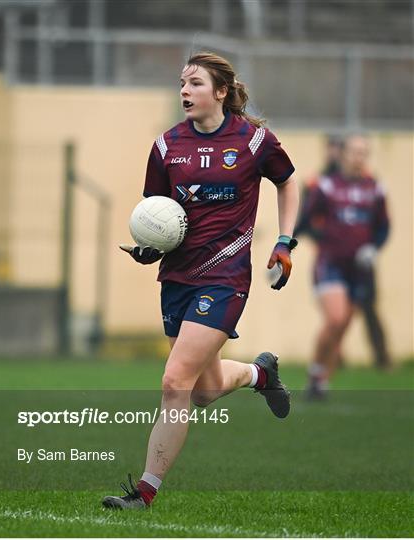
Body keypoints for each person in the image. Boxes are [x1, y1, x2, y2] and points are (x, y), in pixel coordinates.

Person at [102, 52, 299, 509]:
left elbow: (287, 182)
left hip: (226, 277)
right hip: (176, 278)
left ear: (221, 91)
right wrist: (149, 247)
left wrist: (286, 241)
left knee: (175, 384)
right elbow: (156, 214)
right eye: (181, 84)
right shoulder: (167, 146)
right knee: (204, 390)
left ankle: (144, 494)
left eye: (194, 83)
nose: (184, 92)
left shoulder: (253, 142)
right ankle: (259, 373)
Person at [296, 134, 390, 399]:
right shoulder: (326, 186)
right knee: (336, 318)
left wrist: (374, 247)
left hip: (359, 269)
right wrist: (284, 248)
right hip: (330, 264)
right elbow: (305, 219)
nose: (359, 157)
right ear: (343, 154)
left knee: (343, 325)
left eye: (364, 152)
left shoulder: (375, 188)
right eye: (354, 151)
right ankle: (316, 371)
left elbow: (383, 226)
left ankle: (320, 379)